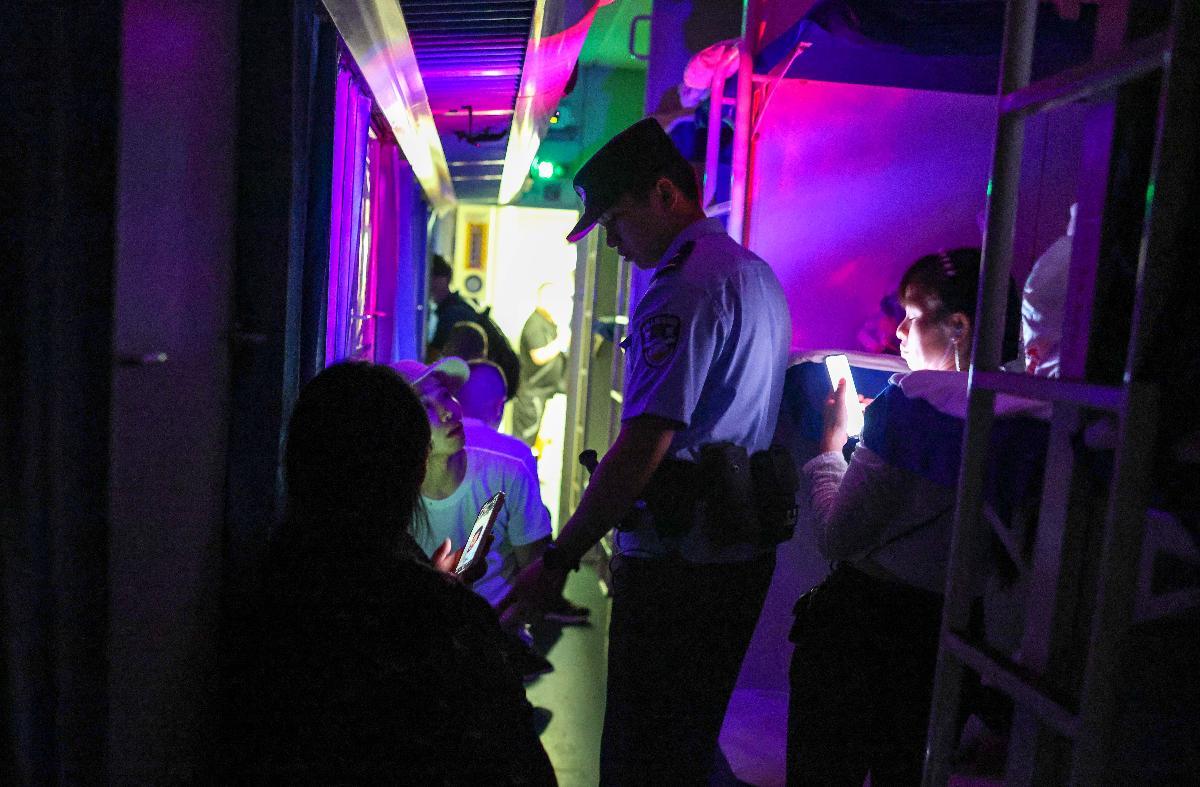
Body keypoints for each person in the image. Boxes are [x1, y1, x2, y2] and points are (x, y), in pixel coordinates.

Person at [499, 117, 792, 783]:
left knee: (640, 756)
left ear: (664, 194)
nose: (612, 241)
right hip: (737, 552)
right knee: (687, 744)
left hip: (676, 562)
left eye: (615, 220)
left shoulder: (683, 287)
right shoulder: (754, 274)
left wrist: (559, 558)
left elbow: (643, 445)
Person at [786, 249, 1042, 784]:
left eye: (911, 315)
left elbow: (835, 535)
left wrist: (832, 446)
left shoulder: (911, 406)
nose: (899, 330)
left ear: (958, 327)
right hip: (951, 630)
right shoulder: (1027, 408)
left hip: (861, 631)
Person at [237, 361, 554, 783]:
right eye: (426, 405)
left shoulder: (257, 592)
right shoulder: (451, 622)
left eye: (446, 396)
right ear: (418, 466)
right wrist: (444, 596)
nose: (447, 410)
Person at [458, 359, 591, 626]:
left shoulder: (428, 444)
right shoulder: (515, 456)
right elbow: (530, 557)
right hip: (495, 615)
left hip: (433, 607)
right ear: (499, 406)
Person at [512, 282, 570, 447]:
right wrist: (561, 341)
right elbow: (538, 355)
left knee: (532, 441)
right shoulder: (535, 324)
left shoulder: (548, 322)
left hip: (542, 392)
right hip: (532, 395)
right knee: (523, 442)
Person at [426, 255, 479, 360]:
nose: (430, 283)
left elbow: (437, 350)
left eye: (434, 277)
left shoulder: (452, 312)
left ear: (445, 279)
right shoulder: (458, 306)